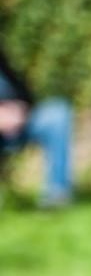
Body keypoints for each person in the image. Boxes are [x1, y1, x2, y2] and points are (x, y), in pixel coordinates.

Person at [0, 47, 74, 207]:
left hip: (21, 124)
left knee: (57, 113)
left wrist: (21, 107)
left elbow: (23, 90)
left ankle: (57, 195)